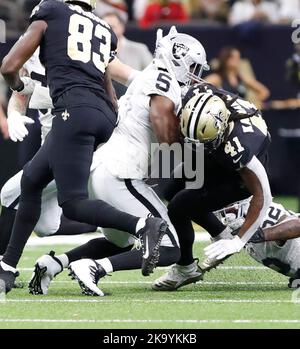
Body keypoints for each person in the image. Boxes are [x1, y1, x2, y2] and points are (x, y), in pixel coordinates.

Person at [28, 26, 210, 296]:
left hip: (101, 169)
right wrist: (190, 142)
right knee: (170, 246)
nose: (195, 74)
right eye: (193, 66)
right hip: (120, 175)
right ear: (178, 58)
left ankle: (55, 263)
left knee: (123, 241)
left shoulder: (149, 75)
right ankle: (95, 268)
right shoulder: (164, 83)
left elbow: (111, 71)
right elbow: (163, 128)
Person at [0, 0, 167, 294]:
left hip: (74, 121)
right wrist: (15, 112)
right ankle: (8, 270)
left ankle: (143, 225)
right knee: (34, 187)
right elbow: (109, 90)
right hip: (91, 120)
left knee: (70, 202)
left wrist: (17, 87)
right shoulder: (99, 30)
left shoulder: (50, 15)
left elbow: (9, 68)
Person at [153, 82, 272, 291]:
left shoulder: (240, 146)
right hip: (214, 152)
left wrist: (238, 241)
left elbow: (263, 196)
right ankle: (220, 231)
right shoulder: (195, 95)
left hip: (235, 176)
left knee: (179, 206)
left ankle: (185, 267)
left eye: (203, 142)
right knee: (170, 190)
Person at [212, 198, 300, 289]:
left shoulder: (263, 217)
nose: (224, 213)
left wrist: (257, 234)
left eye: (228, 206)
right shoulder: (245, 221)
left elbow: (297, 225)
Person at [205, 47, 270, 106]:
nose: (238, 61)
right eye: (234, 58)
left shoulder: (242, 78)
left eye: (238, 58)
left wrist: (249, 103)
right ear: (226, 59)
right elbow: (201, 87)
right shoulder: (217, 78)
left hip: (240, 116)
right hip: (224, 115)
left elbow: (264, 91)